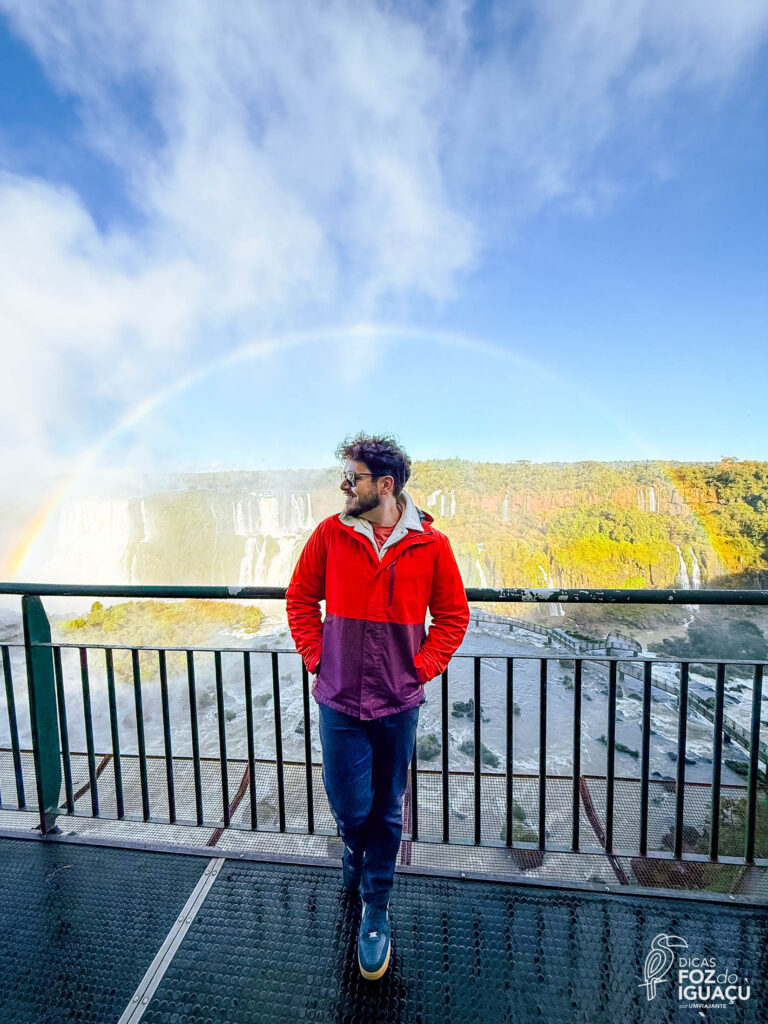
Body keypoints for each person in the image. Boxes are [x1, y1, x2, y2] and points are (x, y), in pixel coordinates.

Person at [286, 433, 469, 980]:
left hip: (397, 701)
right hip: (340, 698)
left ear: (384, 485)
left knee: (388, 808)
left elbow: (453, 616)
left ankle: (376, 906)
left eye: (353, 478)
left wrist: (420, 667)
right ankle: (354, 850)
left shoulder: (431, 546)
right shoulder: (330, 534)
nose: (344, 486)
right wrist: (319, 658)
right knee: (350, 806)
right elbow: (300, 598)